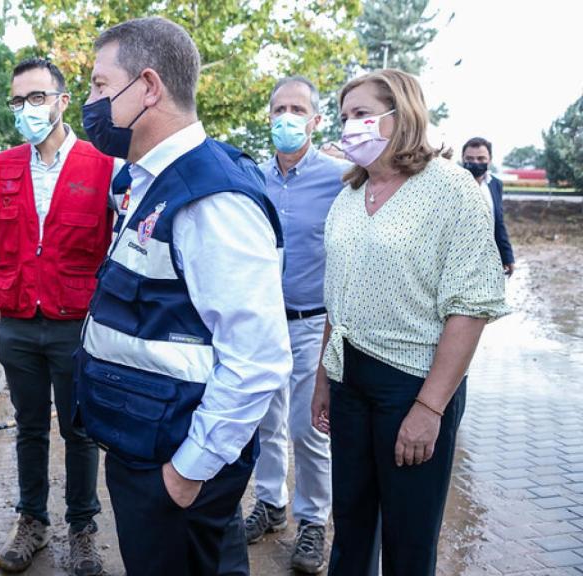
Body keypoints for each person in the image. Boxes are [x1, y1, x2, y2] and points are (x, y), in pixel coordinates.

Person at [76, 17, 291, 575]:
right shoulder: (146, 179)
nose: (90, 102)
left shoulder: (211, 198)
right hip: (146, 444)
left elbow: (258, 358)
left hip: (175, 465)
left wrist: (188, 472)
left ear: (148, 87)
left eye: (101, 86)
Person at [311, 69, 508, 575]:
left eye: (361, 113)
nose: (349, 125)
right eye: (344, 116)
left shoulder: (451, 189)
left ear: (401, 115)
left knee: (409, 537)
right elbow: (339, 297)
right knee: (351, 528)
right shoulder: (349, 197)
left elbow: (471, 306)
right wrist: (323, 380)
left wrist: (429, 408)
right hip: (349, 379)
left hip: (413, 386)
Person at [0, 57, 119, 576]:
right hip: (18, 320)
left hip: (76, 321)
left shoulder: (103, 165)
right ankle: (32, 520)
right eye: (18, 101)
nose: (26, 110)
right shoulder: (4, 165)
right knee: (29, 426)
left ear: (60, 101)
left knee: (80, 430)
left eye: (36, 98)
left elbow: (121, 238)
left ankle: (82, 529)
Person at [238, 76, 349, 574]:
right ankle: (270, 504)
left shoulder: (341, 177)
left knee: (309, 427)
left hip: (312, 323)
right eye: (279, 108)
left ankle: (311, 521)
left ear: (316, 120)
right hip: (262, 322)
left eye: (297, 108)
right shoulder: (251, 178)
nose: (286, 117)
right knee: (265, 420)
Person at [462, 137, 515, 276]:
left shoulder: (495, 184)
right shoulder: (452, 184)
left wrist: (507, 256)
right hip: (459, 258)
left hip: (487, 257)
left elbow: (498, 223)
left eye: (481, 158)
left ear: (489, 160)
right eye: (470, 158)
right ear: (462, 158)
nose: (475, 162)